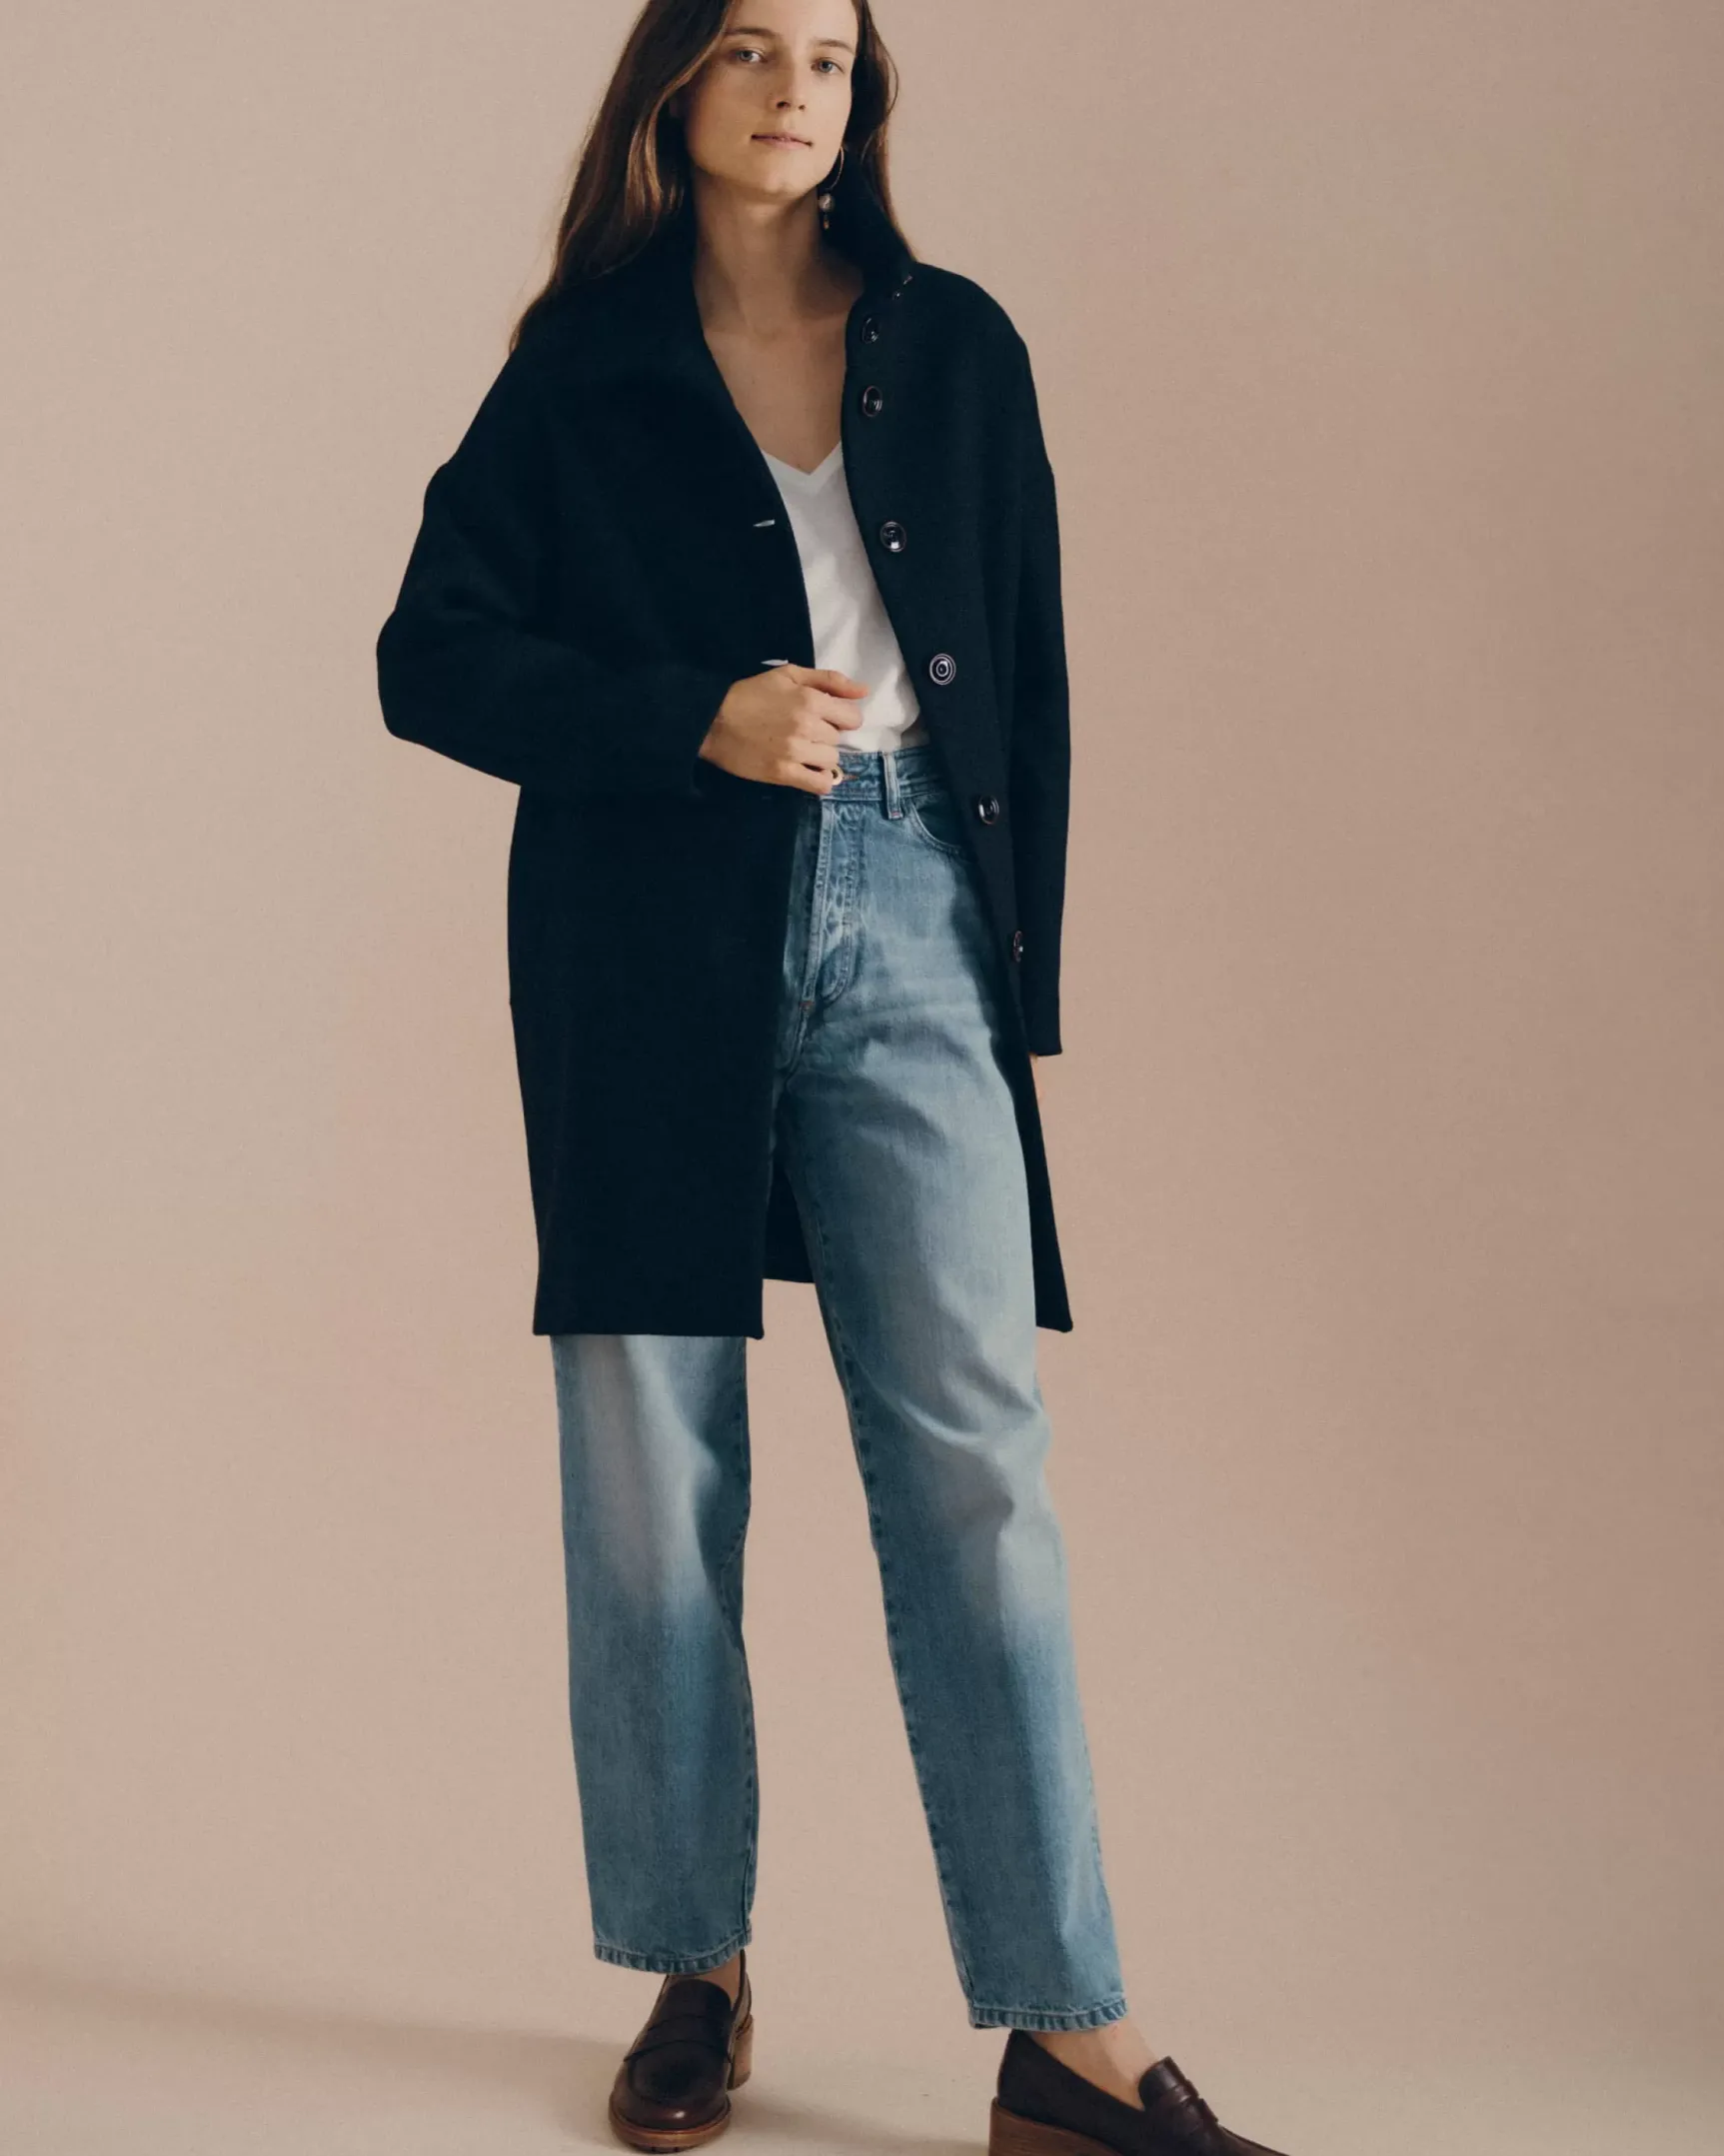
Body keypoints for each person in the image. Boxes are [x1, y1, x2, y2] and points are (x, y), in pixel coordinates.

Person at [377, 3, 1291, 2151]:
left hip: (914, 909)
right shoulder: (582, 364)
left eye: (835, 57)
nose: (800, 90)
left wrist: (1008, 976)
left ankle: (1067, 2028)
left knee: (975, 1459)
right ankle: (693, 1964)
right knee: (652, 1463)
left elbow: (1027, 673)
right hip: (646, 935)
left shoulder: (954, 345)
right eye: (754, 50)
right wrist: (686, 715)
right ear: (673, 85)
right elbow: (432, 653)